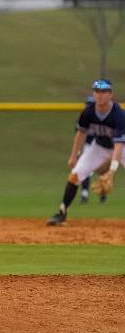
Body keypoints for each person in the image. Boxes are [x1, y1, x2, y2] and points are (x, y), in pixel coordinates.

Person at [47, 79, 124, 226]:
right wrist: (73, 155)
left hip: (122, 147)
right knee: (75, 175)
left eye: (104, 92)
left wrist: (112, 171)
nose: (100, 95)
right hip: (99, 147)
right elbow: (81, 134)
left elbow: (119, 144)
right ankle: (62, 212)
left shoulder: (118, 114)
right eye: (97, 91)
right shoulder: (88, 112)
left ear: (110, 95)